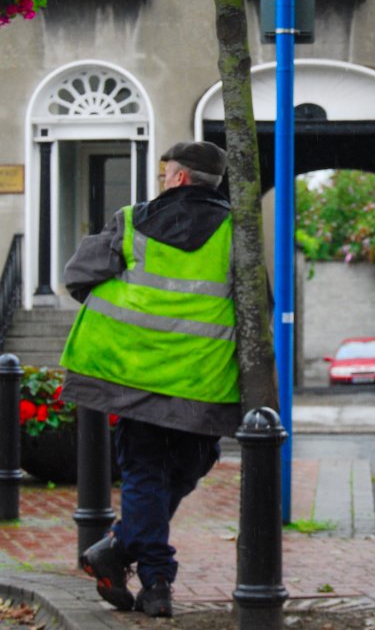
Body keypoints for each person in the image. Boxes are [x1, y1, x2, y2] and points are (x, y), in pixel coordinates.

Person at [59, 141, 241, 618]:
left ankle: (118, 549)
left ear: (179, 178)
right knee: (173, 469)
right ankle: (157, 582)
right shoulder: (236, 231)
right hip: (200, 381)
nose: (162, 181)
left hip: (134, 373)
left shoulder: (130, 220)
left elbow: (78, 277)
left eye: (166, 175)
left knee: (154, 473)